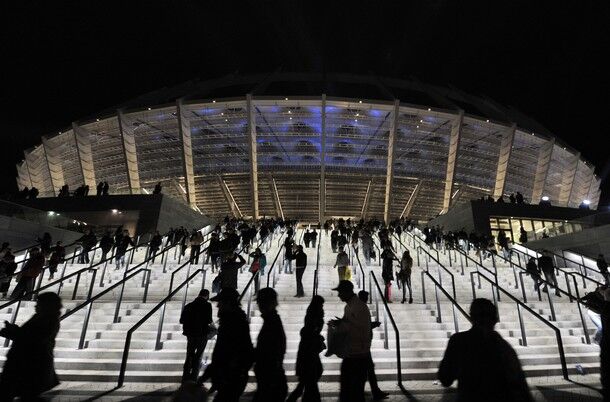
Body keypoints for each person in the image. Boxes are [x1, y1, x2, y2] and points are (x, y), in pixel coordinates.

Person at [437, 298, 532, 402]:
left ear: (471, 317)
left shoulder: (459, 342)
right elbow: (521, 386)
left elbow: (445, 378)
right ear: (495, 319)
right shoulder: (503, 347)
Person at [0, 292, 62, 401]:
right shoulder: (41, 317)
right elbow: (28, 335)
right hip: (25, 363)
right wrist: (14, 330)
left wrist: (13, 332)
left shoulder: (49, 320)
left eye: (39, 303)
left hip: (30, 364)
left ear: (47, 305)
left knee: (19, 394)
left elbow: (34, 339)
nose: (36, 305)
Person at [199, 288, 253, 401]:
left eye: (220, 302)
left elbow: (225, 353)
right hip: (229, 377)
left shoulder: (233, 323)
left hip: (230, 378)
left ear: (228, 303)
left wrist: (209, 376)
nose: (218, 306)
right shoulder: (232, 320)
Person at [329, 280, 372, 402]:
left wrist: (342, 325)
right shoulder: (349, 306)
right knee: (348, 391)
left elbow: (360, 329)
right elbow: (349, 324)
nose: (338, 295)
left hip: (358, 355)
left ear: (347, 292)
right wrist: (339, 323)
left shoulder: (358, 307)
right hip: (351, 353)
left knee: (354, 392)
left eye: (340, 292)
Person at [287, 295, 326, 402]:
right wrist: (318, 337)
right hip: (309, 353)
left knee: (307, 381)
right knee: (311, 379)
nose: (323, 307)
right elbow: (310, 333)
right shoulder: (314, 317)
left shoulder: (312, 316)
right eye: (321, 305)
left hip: (308, 352)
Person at [253, 288, 287, 401]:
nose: (258, 305)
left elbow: (271, 351)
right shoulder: (271, 321)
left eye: (261, 302)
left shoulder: (272, 323)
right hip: (270, 380)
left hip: (270, 381)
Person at [358, 290, 388, 400]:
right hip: (362, 345)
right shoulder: (361, 308)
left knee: (366, 370)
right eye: (366, 297)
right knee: (368, 369)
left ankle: (367, 391)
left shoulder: (361, 307)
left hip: (364, 344)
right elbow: (362, 326)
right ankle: (374, 391)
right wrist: (373, 325)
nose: (367, 299)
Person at [180, 289, 213, 382]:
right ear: (207, 296)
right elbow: (209, 320)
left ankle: (185, 378)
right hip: (202, 334)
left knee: (189, 355)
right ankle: (194, 378)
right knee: (198, 356)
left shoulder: (188, 306)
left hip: (190, 334)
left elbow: (181, 320)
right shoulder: (207, 305)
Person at [599, 287, 610, 400]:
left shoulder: (606, 309)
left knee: (606, 367)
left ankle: (606, 388)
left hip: (607, 344)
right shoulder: (606, 308)